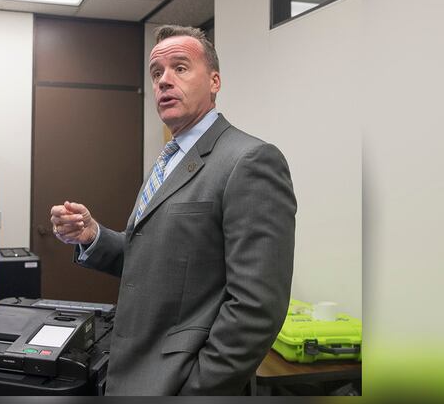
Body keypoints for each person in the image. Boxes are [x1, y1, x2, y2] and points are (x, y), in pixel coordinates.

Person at [49, 25, 296, 396]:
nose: (164, 81)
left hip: (179, 383)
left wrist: (196, 390)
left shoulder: (249, 160)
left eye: (180, 68)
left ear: (214, 81)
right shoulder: (168, 161)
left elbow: (256, 308)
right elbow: (155, 260)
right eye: (156, 73)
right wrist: (93, 236)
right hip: (131, 371)